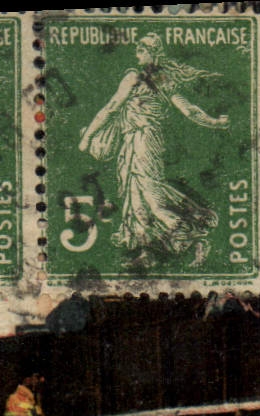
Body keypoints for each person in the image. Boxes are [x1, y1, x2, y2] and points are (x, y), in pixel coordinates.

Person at [78, 34, 228, 268]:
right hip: (138, 140)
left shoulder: (134, 77)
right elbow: (189, 111)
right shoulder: (164, 80)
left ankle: (194, 240)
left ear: (152, 52)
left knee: (150, 196)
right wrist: (215, 122)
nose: (137, 54)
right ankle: (147, 253)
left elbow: (111, 107)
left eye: (141, 50)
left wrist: (87, 137)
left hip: (142, 140)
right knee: (135, 196)